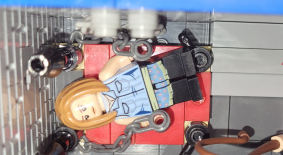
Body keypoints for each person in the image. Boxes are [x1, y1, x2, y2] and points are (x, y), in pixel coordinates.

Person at [55, 52, 203, 131]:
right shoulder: (119, 118)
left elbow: (118, 61)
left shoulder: (105, 77)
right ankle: (196, 88)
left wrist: (133, 54)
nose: (88, 111)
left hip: (151, 73)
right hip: (159, 98)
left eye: (82, 107)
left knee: (175, 65)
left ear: (81, 91)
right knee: (184, 91)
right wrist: (152, 121)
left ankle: (194, 60)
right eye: (86, 117)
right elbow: (139, 121)